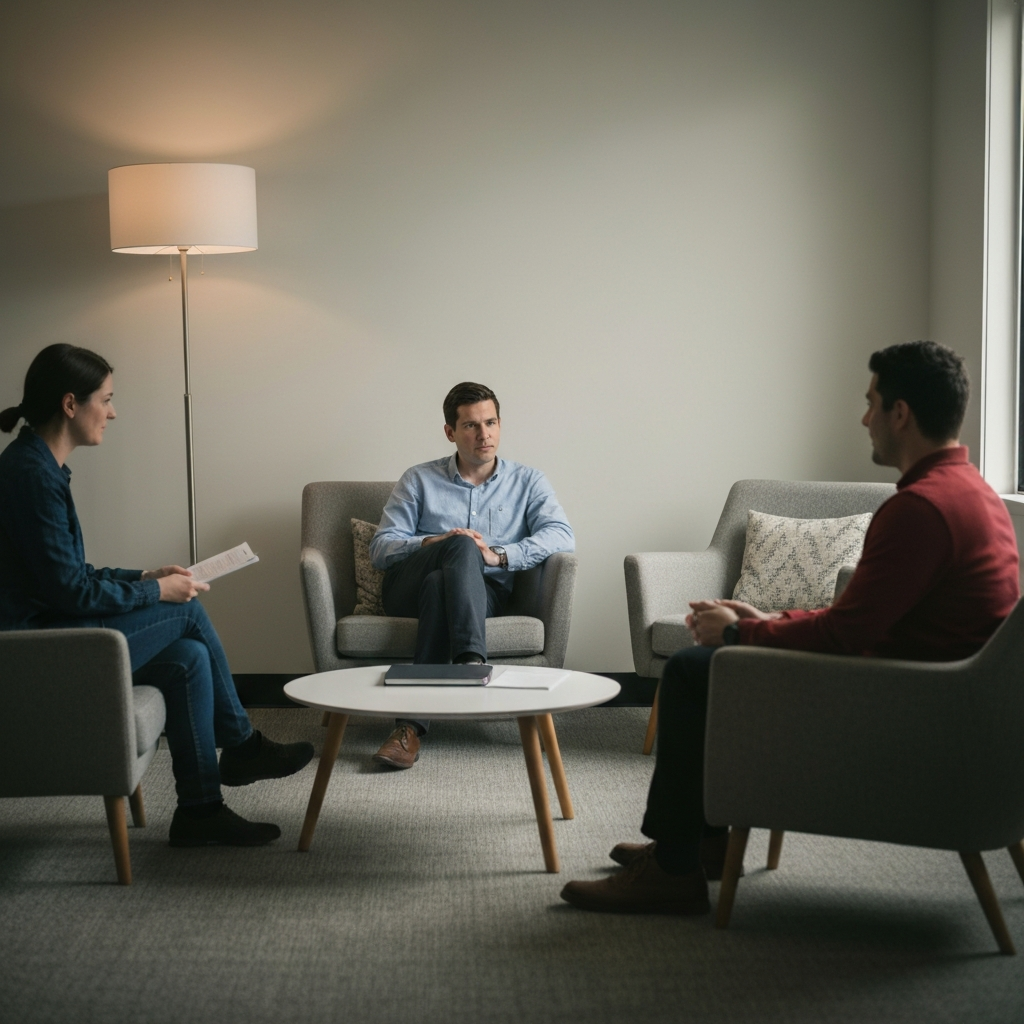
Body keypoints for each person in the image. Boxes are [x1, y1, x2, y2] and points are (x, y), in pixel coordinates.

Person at [561, 340, 1020, 914]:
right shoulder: (973, 494)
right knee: (710, 666)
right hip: (939, 705)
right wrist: (769, 621)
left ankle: (673, 868)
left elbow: (845, 636)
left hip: (901, 715)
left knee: (692, 669)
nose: (864, 419)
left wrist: (738, 635)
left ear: (900, 412)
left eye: (871, 402)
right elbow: (862, 621)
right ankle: (700, 845)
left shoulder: (920, 509)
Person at [0, 344, 314, 847]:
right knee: (186, 613)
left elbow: (69, 575)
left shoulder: (37, 465)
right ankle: (242, 745)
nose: (113, 412)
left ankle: (199, 811)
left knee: (188, 658)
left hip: (50, 631)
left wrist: (145, 574)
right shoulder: (32, 474)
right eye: (106, 399)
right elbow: (72, 592)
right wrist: (157, 590)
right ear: (70, 404)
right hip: (36, 649)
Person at [367, 381, 575, 768]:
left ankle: (408, 728)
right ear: (450, 432)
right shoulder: (418, 479)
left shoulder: (528, 481)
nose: (484, 434)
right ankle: (472, 665)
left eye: (490, 423)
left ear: (500, 425)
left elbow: (562, 534)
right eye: (471, 425)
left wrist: (499, 555)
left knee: (441, 585)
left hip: (483, 596)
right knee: (459, 546)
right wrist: (436, 542)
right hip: (406, 591)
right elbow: (380, 549)